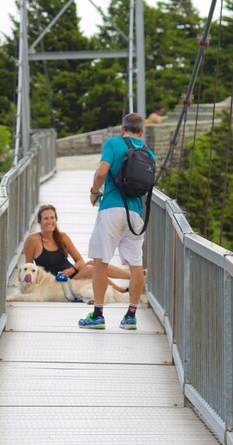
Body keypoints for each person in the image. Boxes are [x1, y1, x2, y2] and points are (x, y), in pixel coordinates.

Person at [79, 112, 153, 330]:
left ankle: (98, 315)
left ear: (122, 129)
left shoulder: (113, 143)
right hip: (135, 214)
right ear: (141, 132)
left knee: (100, 262)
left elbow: (102, 172)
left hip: (111, 209)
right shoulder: (148, 153)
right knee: (135, 264)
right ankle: (131, 316)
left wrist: (94, 191)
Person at [23, 204, 133, 287]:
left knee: (94, 263)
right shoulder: (33, 239)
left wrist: (72, 269)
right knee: (90, 269)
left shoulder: (62, 237)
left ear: (56, 220)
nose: (50, 221)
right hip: (57, 284)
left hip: (73, 275)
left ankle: (135, 277)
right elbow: (27, 267)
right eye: (46, 218)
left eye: (52, 218)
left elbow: (80, 260)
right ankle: (120, 291)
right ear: (39, 222)